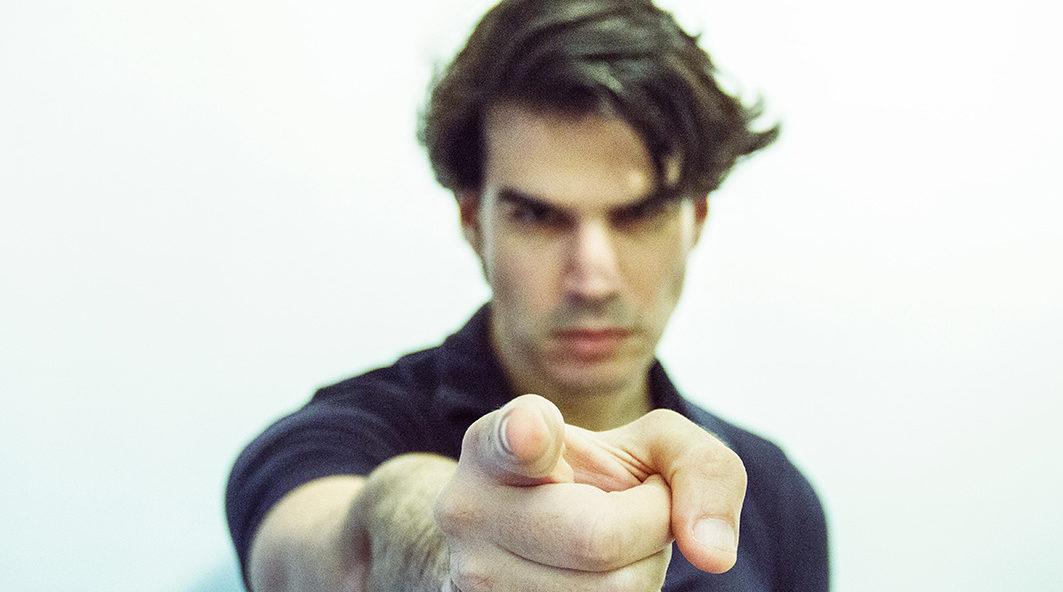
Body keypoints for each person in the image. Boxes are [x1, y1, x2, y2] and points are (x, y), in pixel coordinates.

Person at [225, 0, 828, 590]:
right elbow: (338, 550)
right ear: (472, 221)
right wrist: (441, 553)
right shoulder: (338, 437)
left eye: (639, 216)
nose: (593, 280)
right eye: (538, 217)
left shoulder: (773, 494)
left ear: (695, 220)